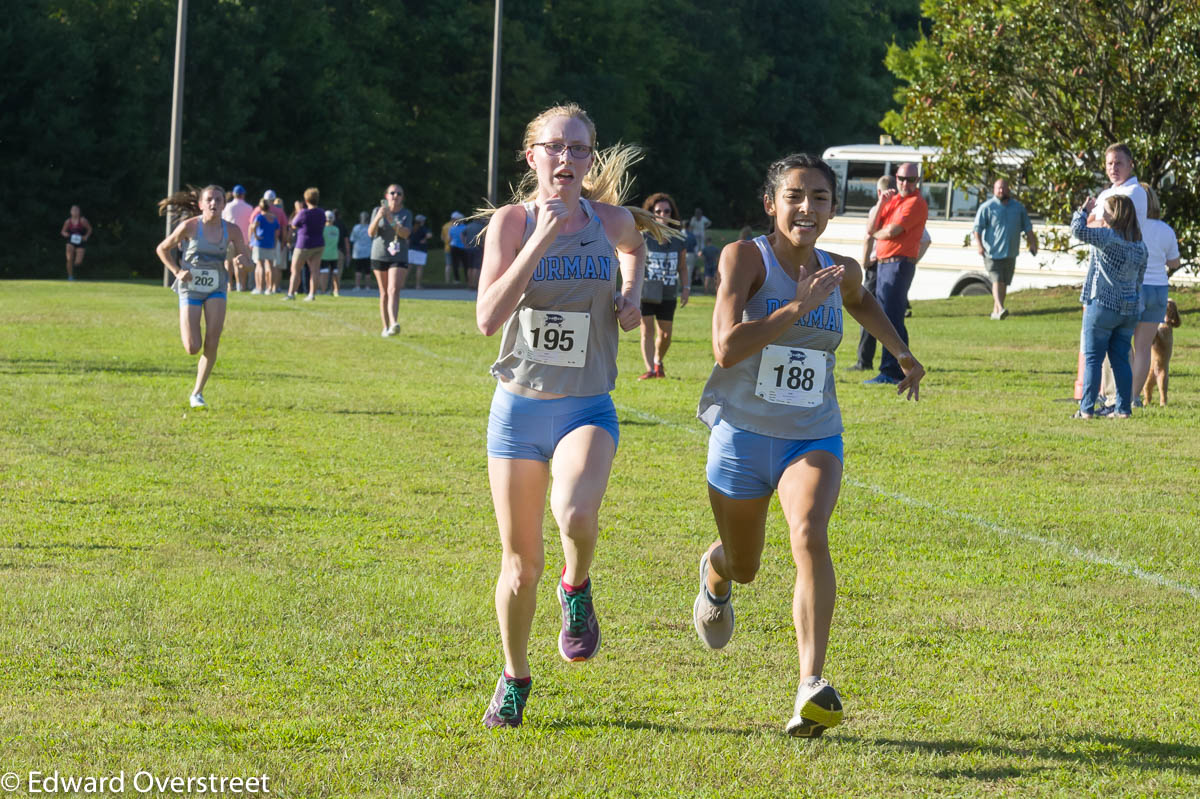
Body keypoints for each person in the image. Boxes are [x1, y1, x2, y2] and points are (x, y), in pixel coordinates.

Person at [691, 153, 924, 738]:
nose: (807, 208)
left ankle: (810, 687)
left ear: (831, 209)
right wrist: (795, 307)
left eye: (819, 198)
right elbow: (725, 347)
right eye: (795, 196)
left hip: (812, 432)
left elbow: (863, 302)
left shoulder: (840, 269)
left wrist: (900, 353)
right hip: (741, 434)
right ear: (772, 205)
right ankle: (714, 575)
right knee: (744, 567)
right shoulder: (745, 258)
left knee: (809, 533)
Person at [474, 102, 673, 730]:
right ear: (531, 156)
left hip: (587, 404)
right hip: (517, 413)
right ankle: (514, 675)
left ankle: (577, 586)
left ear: (590, 158)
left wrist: (630, 292)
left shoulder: (608, 220)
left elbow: (635, 246)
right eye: (555, 147)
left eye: (580, 149)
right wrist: (539, 236)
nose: (567, 159)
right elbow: (486, 318)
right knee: (519, 564)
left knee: (576, 512)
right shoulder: (510, 222)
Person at [155, 185, 252, 408]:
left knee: (212, 341)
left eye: (218, 200)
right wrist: (178, 272)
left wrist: (243, 263)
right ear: (200, 204)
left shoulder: (233, 230)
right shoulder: (189, 226)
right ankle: (186, 327)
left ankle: (197, 393)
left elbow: (248, 263)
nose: (213, 204)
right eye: (209, 200)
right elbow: (162, 249)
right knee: (192, 347)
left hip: (217, 287)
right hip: (190, 288)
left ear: (223, 204)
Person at [1072, 194, 1147, 419]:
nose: (1101, 214)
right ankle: (1123, 409)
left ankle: (1086, 409)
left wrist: (1083, 211)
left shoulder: (1107, 237)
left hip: (1103, 305)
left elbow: (1077, 230)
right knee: (1121, 360)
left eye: (1105, 210)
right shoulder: (1140, 245)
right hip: (1129, 309)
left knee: (1093, 358)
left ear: (1115, 215)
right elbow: (1140, 278)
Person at [863, 162, 927, 385]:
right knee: (887, 317)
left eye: (910, 180)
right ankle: (900, 368)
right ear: (896, 178)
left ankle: (892, 371)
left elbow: (892, 231)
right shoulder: (893, 201)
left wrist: (877, 234)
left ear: (917, 181)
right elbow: (872, 227)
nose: (905, 183)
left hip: (899, 264)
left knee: (891, 319)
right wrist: (882, 202)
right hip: (884, 264)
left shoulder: (916, 203)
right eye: (901, 178)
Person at [1128, 185, 1180, 409]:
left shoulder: (1131, 228)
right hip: (1159, 290)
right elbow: (1174, 262)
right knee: (1144, 348)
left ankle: (1122, 393)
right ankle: (1135, 397)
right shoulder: (1166, 229)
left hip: (1135, 287)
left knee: (1123, 344)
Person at [637, 192, 688, 379]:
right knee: (647, 331)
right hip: (647, 290)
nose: (663, 215)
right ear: (651, 213)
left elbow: (682, 267)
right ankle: (650, 369)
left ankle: (658, 361)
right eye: (658, 211)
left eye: (667, 211)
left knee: (666, 335)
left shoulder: (679, 238)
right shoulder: (643, 237)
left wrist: (686, 288)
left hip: (668, 292)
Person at [972, 179, 1038, 319]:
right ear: (994, 190)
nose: (1001, 191)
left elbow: (1027, 227)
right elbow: (977, 229)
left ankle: (996, 312)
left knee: (1004, 282)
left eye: (1003, 188)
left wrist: (1032, 243)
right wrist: (979, 246)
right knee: (997, 280)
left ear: (1008, 189)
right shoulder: (987, 207)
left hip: (1010, 252)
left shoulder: (1018, 208)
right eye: (998, 188)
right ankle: (1001, 308)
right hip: (992, 252)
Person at [850, 176, 895, 371]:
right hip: (895, 265)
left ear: (879, 192)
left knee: (867, 310)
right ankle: (893, 358)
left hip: (876, 265)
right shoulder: (902, 211)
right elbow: (925, 239)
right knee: (891, 314)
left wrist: (865, 260)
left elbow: (868, 238)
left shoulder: (877, 211)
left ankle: (864, 361)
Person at [369, 183, 412, 335]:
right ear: (386, 196)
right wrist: (379, 217)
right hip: (379, 254)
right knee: (384, 292)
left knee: (393, 289)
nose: (395, 196)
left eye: (399, 194)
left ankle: (394, 323)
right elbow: (371, 232)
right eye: (393, 193)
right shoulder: (377, 210)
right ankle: (385, 327)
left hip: (398, 256)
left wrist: (391, 219)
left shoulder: (406, 214)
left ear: (402, 198)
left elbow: (405, 234)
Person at [1089, 143, 1148, 231]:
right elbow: (1088, 223)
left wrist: (1091, 223)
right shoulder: (1104, 194)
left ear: (1130, 164)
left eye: (1118, 163)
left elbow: (1109, 225)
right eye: (1110, 163)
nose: (1113, 168)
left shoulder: (1135, 191)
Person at [286, 188, 325, 302]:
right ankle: (312, 294)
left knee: (295, 269)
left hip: (303, 245)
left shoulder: (303, 212)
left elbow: (293, 224)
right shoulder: (321, 212)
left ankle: (291, 294)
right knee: (315, 270)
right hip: (318, 244)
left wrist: (298, 210)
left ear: (306, 199)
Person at [222, 185, 255, 291]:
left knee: (228, 263)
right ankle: (242, 285)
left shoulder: (227, 207)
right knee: (242, 263)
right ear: (243, 195)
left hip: (229, 239)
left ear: (233, 194)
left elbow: (222, 222)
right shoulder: (249, 208)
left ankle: (229, 285)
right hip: (244, 239)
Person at [249, 198, 281, 295]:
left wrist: (255, 236)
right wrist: (275, 242)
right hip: (270, 244)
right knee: (270, 267)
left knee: (260, 266)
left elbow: (253, 226)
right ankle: (270, 288)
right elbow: (277, 232)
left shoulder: (259, 217)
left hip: (260, 243)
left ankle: (260, 288)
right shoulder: (274, 218)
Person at [60, 205, 92, 281]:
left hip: (81, 241)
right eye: (73, 210)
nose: (75, 212)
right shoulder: (68, 221)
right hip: (71, 241)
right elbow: (63, 231)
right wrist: (66, 234)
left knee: (78, 262)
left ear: (79, 212)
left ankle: (74, 267)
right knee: (69, 259)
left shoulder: (83, 220)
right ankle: (70, 276)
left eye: (76, 210)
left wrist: (86, 236)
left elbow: (90, 229)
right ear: (70, 212)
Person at [320, 210, 341, 296]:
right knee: (335, 273)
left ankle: (323, 291)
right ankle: (336, 291)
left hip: (324, 255)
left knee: (324, 273)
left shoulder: (322, 229)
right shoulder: (336, 229)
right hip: (334, 254)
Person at [350, 211, 373, 290]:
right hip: (368, 251)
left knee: (358, 270)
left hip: (358, 252)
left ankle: (357, 286)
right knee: (367, 270)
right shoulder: (370, 227)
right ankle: (368, 286)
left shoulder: (356, 227)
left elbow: (352, 239)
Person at [463, 215, 485, 290]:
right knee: (476, 267)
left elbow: (462, 234)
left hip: (468, 248)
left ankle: (470, 284)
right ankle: (475, 284)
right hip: (477, 248)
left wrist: (465, 244)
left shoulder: (468, 226)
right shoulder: (481, 227)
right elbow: (483, 238)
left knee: (470, 267)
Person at [408, 214, 431, 289]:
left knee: (408, 267)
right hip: (421, 249)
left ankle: (402, 284)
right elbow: (429, 235)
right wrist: (424, 239)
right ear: (422, 221)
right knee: (419, 268)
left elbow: (407, 239)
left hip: (411, 249)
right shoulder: (423, 228)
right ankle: (418, 285)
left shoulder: (411, 228)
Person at [448, 212, 468, 284]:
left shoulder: (451, 228)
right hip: (463, 247)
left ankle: (457, 279)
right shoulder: (465, 227)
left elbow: (449, 239)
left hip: (453, 247)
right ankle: (467, 279)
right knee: (465, 264)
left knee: (455, 264)